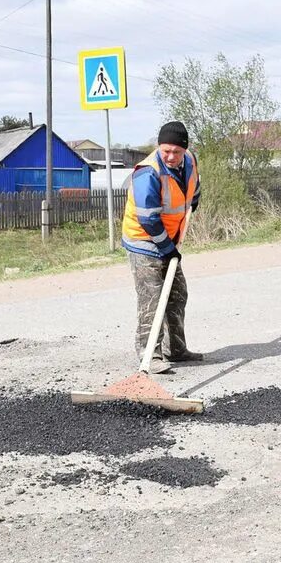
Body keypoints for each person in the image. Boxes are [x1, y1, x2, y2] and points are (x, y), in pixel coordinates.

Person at [121, 120, 203, 375]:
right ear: (159, 146)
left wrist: (195, 201)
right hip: (144, 240)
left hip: (168, 238)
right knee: (152, 300)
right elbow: (148, 219)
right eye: (166, 150)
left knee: (178, 294)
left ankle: (176, 350)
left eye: (176, 152)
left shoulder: (189, 161)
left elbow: (193, 187)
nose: (170, 156)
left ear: (184, 150)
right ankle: (149, 356)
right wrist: (167, 248)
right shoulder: (148, 172)